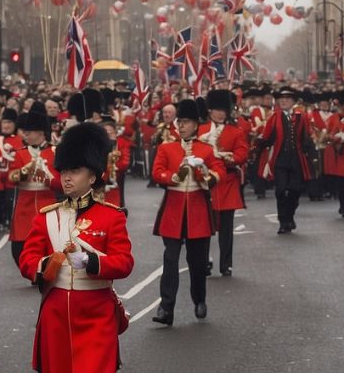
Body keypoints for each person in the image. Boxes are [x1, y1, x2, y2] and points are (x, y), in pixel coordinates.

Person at [18, 122, 133, 373]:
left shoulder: (112, 217)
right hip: (56, 313)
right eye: (64, 171)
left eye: (75, 171)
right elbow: (27, 258)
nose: (67, 177)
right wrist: (45, 265)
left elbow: (124, 262)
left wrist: (92, 262)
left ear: (92, 176)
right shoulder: (46, 216)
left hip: (96, 313)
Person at [150, 98, 226, 325]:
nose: (181, 126)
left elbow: (218, 171)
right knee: (170, 259)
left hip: (197, 208)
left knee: (198, 261)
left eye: (186, 122)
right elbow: (157, 172)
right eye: (179, 122)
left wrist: (206, 175)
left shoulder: (206, 149)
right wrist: (172, 177)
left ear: (196, 125)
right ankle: (166, 308)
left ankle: (199, 299)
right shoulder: (167, 147)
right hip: (173, 207)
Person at [199, 89, 248, 276]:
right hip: (205, 182)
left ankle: (226, 264)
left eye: (223, 110)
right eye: (216, 110)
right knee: (205, 227)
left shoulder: (235, 132)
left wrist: (231, 159)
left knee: (226, 229)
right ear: (210, 111)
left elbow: (242, 153)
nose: (220, 113)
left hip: (227, 182)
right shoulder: (201, 130)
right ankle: (205, 261)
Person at [8, 106, 60, 265]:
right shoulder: (20, 153)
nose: (25, 135)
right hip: (25, 205)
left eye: (28, 132)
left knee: (47, 241)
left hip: (47, 203)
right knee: (19, 247)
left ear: (40, 132)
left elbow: (60, 184)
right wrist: (24, 172)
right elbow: (11, 178)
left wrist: (45, 178)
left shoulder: (54, 152)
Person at [257, 86, 314, 234]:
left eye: (287, 99)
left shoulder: (302, 116)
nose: (283, 101)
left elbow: (306, 137)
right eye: (281, 99)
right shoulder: (274, 117)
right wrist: (258, 146)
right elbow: (267, 137)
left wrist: (310, 153)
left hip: (296, 159)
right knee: (281, 190)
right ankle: (283, 221)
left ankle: (290, 216)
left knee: (295, 190)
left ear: (293, 101)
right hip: (280, 159)